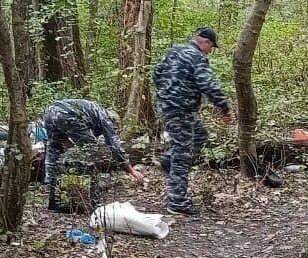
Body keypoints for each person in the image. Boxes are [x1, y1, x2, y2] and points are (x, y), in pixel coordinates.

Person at [153, 27, 234, 216]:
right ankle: (177, 202)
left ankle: (167, 160)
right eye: (212, 47)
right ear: (205, 42)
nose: (211, 51)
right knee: (183, 155)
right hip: (180, 110)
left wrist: (166, 94)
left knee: (200, 135)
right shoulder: (197, 57)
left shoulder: (174, 51)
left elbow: (156, 74)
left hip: (167, 107)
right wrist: (225, 107)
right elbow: (208, 84)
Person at [42, 98, 143, 211]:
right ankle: (88, 198)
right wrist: (131, 170)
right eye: (114, 128)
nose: (113, 129)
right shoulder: (105, 117)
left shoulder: (93, 111)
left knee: (54, 152)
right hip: (66, 114)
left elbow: (68, 140)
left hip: (50, 112)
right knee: (91, 150)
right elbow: (114, 145)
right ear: (113, 121)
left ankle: (53, 199)